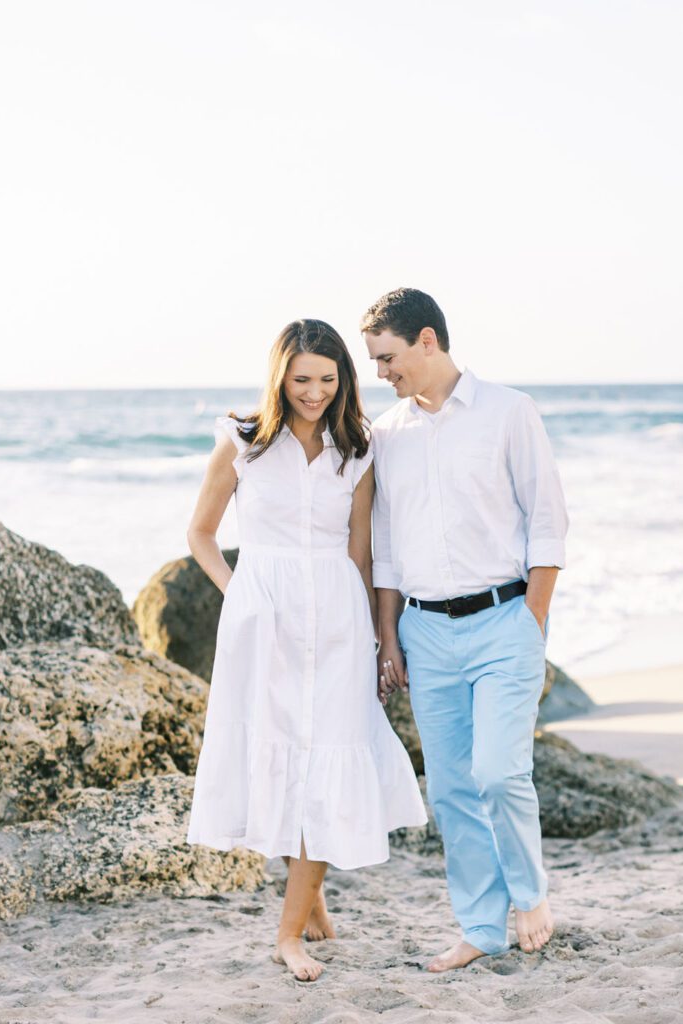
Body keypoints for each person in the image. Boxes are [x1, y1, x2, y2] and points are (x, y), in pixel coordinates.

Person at [185, 318, 427, 982]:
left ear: (343, 379)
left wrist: (383, 636)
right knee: (281, 752)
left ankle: (288, 934)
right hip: (261, 620)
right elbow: (201, 534)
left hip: (338, 619)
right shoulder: (241, 443)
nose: (316, 392)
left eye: (329, 379)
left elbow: (363, 550)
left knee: (327, 756)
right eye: (302, 380)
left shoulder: (359, 448)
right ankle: (311, 902)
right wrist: (241, 594)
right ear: (279, 377)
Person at [363, 288, 569, 973]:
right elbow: (386, 548)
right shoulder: (386, 435)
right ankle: (482, 926)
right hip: (424, 631)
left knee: (498, 771)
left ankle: (531, 896)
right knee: (450, 789)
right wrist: (389, 638)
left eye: (387, 357)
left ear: (428, 340)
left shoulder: (510, 412)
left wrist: (529, 621)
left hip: (503, 621)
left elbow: (547, 522)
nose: (381, 373)